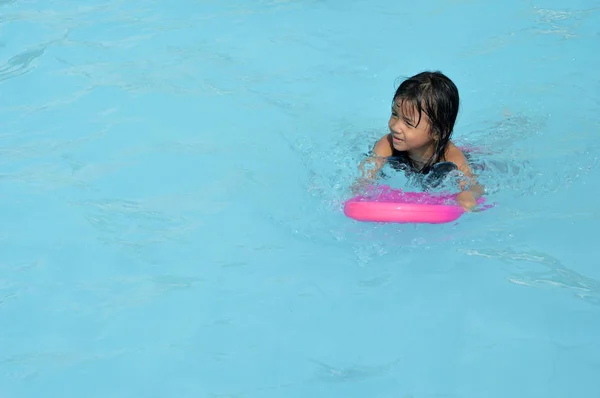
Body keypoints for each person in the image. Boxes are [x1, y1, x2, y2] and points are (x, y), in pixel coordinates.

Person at [353, 71, 484, 211]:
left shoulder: (451, 157)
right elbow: (368, 172)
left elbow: (474, 185)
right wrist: (361, 188)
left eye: (408, 123)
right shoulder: (387, 143)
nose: (395, 127)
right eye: (394, 115)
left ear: (437, 132)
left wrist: (468, 194)